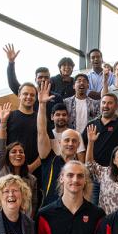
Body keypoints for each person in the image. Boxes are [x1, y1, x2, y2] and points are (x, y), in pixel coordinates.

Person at [82, 67, 118, 168]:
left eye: (110, 103)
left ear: (116, 106)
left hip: (114, 172)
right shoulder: (91, 125)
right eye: (104, 103)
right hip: (94, 173)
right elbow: (82, 148)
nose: (105, 105)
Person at [38, 80, 84, 208]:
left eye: (74, 141)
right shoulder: (50, 159)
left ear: (78, 144)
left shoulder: (79, 169)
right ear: (59, 142)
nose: (70, 144)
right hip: (50, 210)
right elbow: (41, 132)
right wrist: (42, 105)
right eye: (67, 140)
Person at [0, 103, 39, 214]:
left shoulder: (31, 179)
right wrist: (3, 122)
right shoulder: (1, 168)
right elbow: (1, 146)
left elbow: (33, 204)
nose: (18, 154)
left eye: (21, 152)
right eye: (14, 152)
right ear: (7, 156)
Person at [86, 127, 118, 215]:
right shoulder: (105, 172)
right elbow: (89, 165)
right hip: (106, 221)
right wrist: (91, 142)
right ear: (114, 161)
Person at [1, 83, 41, 172]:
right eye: (25, 94)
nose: (29, 97)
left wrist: (31, 167)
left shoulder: (41, 119)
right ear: (19, 95)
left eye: (32, 95)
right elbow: (1, 145)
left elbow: (47, 148)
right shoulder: (8, 117)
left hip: (34, 172)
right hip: (9, 171)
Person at [64, 73, 100, 140]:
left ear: (88, 85)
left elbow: (98, 122)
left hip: (88, 138)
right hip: (71, 138)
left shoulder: (95, 103)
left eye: (84, 81)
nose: (81, 83)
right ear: (74, 86)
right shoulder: (66, 102)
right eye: (79, 81)